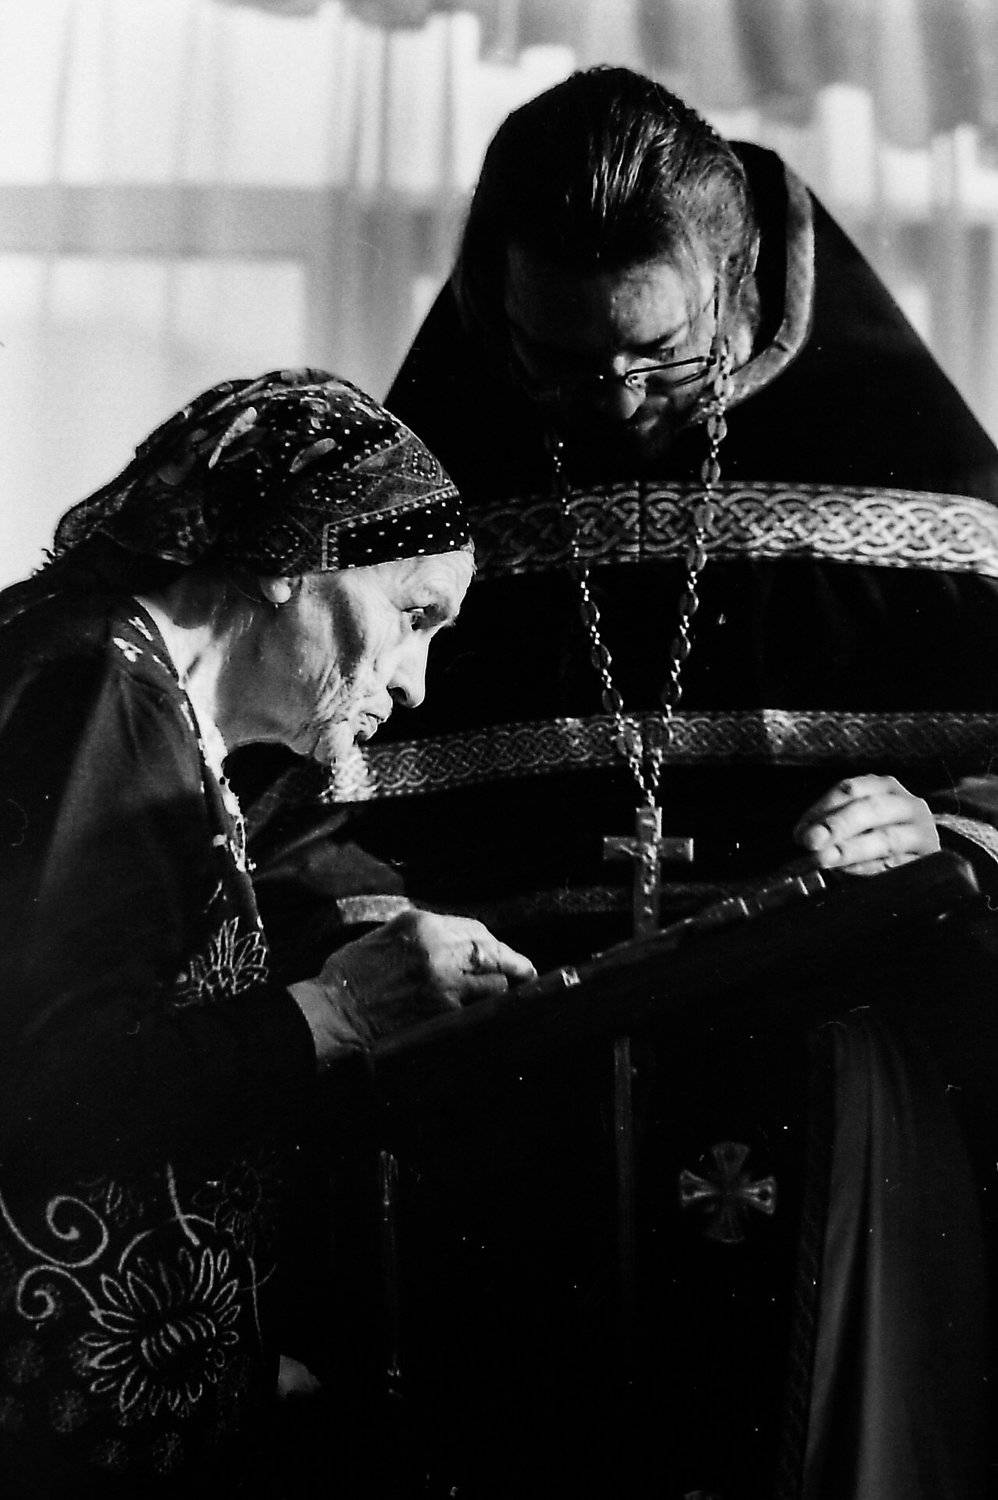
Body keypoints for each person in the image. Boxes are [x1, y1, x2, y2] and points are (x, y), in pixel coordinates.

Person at [231, 70, 998, 1497]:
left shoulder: (912, 478)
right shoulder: (431, 489)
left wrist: (939, 824)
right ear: (495, 308)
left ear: (735, 284)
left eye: (660, 355)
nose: (617, 398)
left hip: (825, 1097)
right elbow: (282, 809)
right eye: (562, 362)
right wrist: (381, 925)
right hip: (501, 1104)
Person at [0, 369, 535, 1498]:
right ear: (293, 554)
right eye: (413, 615)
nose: (416, 683)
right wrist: (337, 1009)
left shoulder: (136, 693)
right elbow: (52, 1083)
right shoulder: (98, 691)